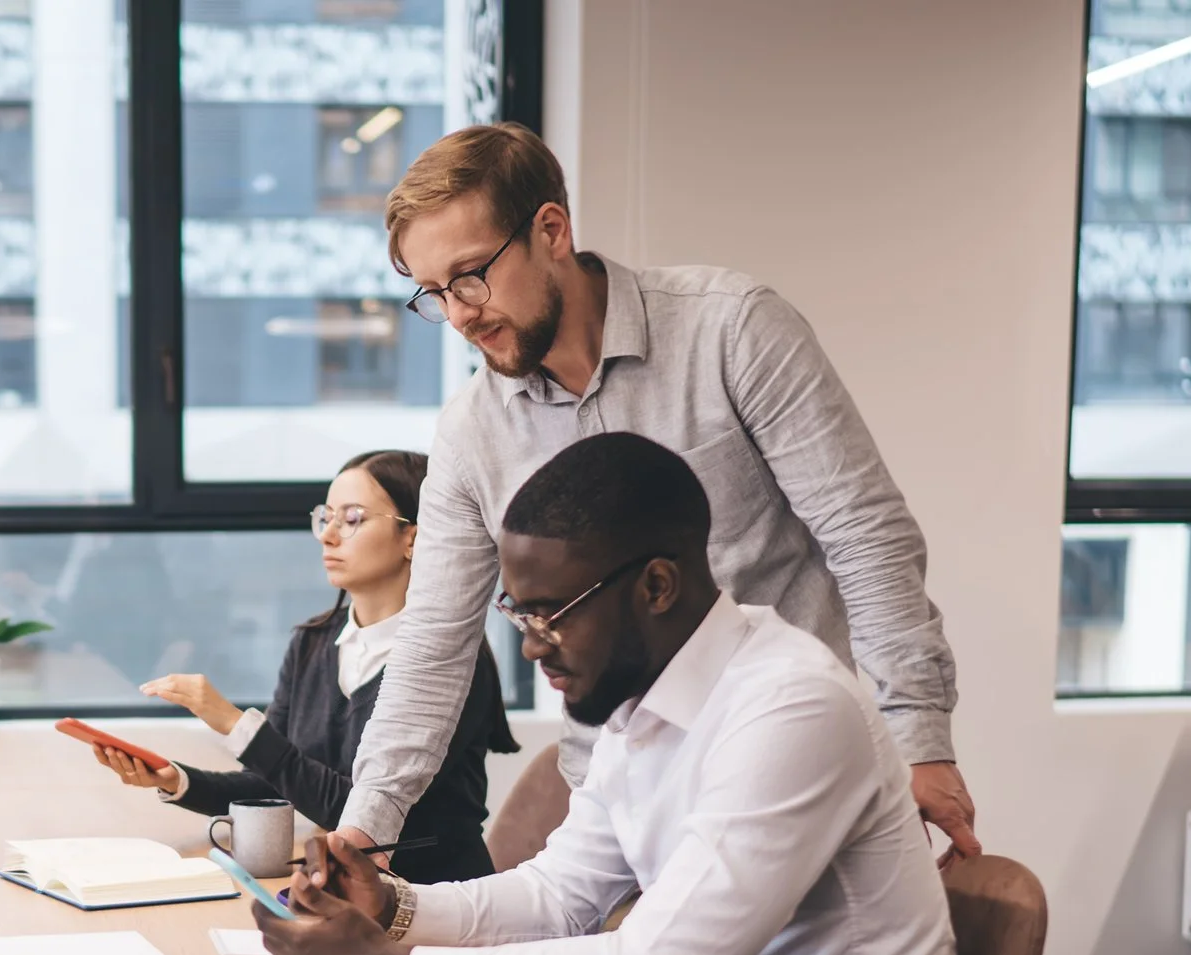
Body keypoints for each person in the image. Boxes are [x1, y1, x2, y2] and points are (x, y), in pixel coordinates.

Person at [261, 434, 977, 955]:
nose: (532, 646)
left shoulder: (790, 707)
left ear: (657, 586)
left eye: (549, 614)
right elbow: (559, 894)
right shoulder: (637, 701)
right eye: (518, 612)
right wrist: (393, 904)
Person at [335, 123, 978, 873]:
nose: (460, 314)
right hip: (618, 807)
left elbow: (864, 536)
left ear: (551, 230)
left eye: (471, 274)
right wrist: (363, 834)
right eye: (434, 293)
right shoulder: (473, 432)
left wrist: (919, 737)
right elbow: (432, 648)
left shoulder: (729, 329)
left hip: (779, 766)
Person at [88, 450, 517, 884]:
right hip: (347, 892)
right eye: (325, 517)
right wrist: (177, 779)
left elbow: (363, 814)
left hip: (434, 902)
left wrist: (236, 724)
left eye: (352, 519)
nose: (328, 536)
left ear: (413, 538)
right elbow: (275, 785)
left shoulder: (451, 662)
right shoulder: (312, 643)